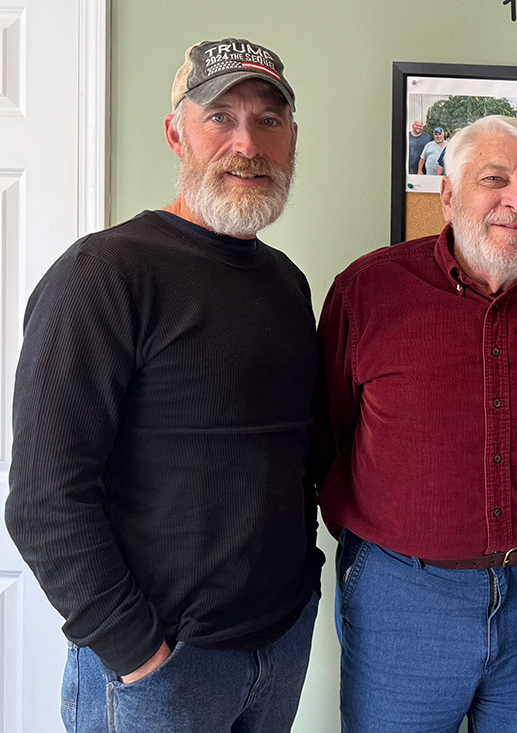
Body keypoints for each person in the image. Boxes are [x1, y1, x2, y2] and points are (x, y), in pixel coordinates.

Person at [5, 37, 321, 733]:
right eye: (221, 117)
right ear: (177, 134)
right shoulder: (105, 272)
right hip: (163, 667)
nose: (248, 144)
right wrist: (137, 654)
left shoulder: (286, 282)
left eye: (269, 121)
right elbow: (44, 498)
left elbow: (292, 460)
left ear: (292, 139)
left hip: (279, 646)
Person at [316, 115, 517, 733]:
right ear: (448, 194)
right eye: (494, 179)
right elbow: (329, 431)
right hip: (402, 596)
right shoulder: (367, 290)